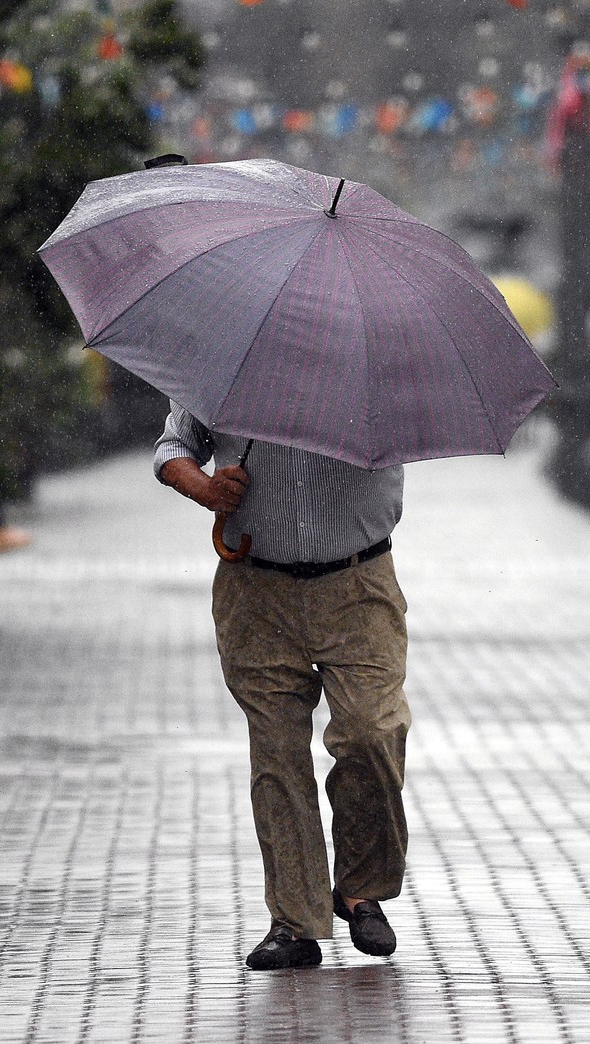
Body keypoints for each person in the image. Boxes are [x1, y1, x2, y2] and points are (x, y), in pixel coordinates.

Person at [154, 401, 410, 971]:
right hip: (255, 587)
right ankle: (295, 923)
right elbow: (173, 449)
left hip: (359, 583)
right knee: (277, 755)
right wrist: (205, 488)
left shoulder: (377, 369)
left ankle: (360, 891)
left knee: (373, 732)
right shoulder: (227, 362)